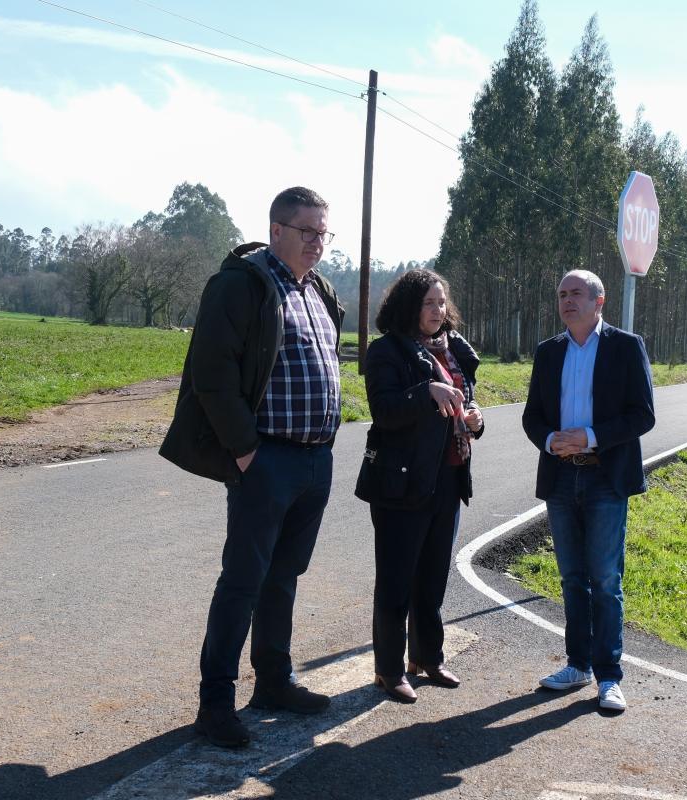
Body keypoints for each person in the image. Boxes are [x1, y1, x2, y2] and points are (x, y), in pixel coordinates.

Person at [159, 186, 344, 748]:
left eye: (323, 232)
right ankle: (215, 702)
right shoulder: (241, 285)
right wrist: (246, 451)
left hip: (314, 459)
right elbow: (212, 375)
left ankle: (273, 682)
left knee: (283, 578)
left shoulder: (318, 290)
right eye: (307, 231)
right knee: (243, 581)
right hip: (266, 459)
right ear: (277, 230)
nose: (317, 242)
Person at [521, 269, 655, 712]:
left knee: (604, 579)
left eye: (576, 293)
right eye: (561, 293)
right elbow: (532, 416)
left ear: (600, 301)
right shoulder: (548, 352)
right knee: (571, 578)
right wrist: (549, 440)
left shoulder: (624, 346)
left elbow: (642, 416)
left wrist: (590, 436)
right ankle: (577, 665)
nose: (567, 300)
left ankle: (609, 676)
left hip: (604, 477)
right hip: (560, 477)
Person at [355, 269, 484, 703]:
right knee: (395, 581)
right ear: (409, 306)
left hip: (448, 477)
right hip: (402, 483)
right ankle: (389, 670)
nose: (438, 311)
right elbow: (385, 411)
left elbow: (466, 400)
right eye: (429, 303)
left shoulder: (455, 351)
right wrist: (424, 392)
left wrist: (475, 420)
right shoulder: (386, 351)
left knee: (431, 579)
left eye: (442, 302)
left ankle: (427, 657)